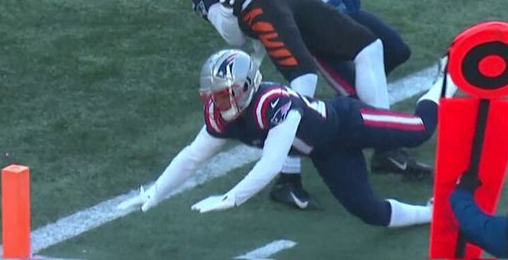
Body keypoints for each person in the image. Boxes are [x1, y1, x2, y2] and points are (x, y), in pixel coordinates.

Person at [129, 0, 416, 209]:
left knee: (371, 46)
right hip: (258, 3)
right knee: (303, 80)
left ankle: (382, 141)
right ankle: (290, 172)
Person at [118, 49, 457, 227]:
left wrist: (233, 197)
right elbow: (193, 156)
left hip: (350, 122)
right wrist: (155, 192)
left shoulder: (273, 103)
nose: (219, 102)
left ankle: (448, 76)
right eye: (215, 95)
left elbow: (271, 164)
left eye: (226, 94)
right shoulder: (223, 114)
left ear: (248, 86)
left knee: (419, 130)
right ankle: (433, 215)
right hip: (327, 153)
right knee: (369, 212)